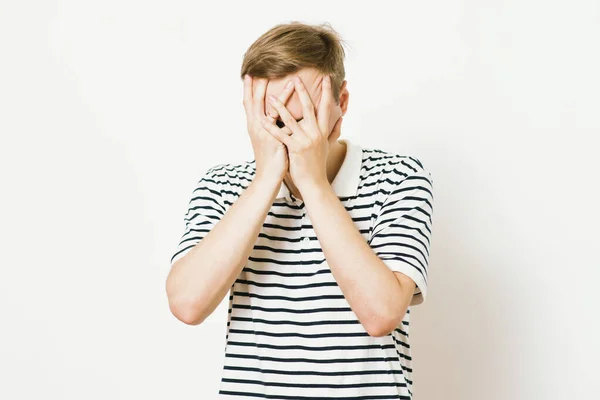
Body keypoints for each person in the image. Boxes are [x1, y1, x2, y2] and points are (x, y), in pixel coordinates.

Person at [166, 21, 434, 400]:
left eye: (303, 115)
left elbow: (381, 314)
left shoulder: (400, 177)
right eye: (274, 116)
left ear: (340, 104)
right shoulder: (222, 186)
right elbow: (187, 304)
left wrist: (313, 184)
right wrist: (265, 180)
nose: (288, 132)